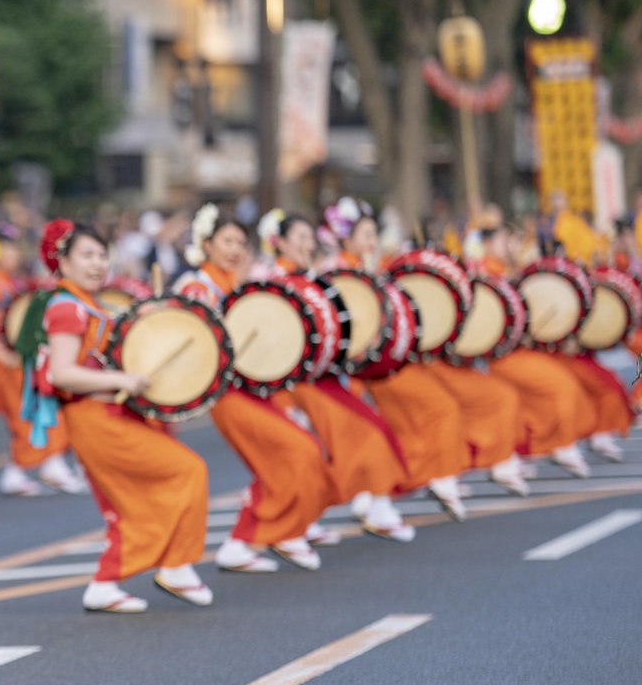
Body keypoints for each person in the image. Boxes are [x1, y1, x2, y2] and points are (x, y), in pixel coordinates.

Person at [24, 219, 211, 612]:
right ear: (64, 263)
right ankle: (169, 566)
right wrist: (123, 377)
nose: (96, 263)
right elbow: (62, 372)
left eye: (101, 255)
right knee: (185, 471)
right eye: (86, 255)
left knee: (142, 497)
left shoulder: (87, 304)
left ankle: (113, 580)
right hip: (94, 417)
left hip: (108, 412)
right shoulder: (66, 307)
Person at [172, 210, 338, 572]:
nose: (235, 249)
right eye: (227, 241)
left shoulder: (238, 282)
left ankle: (259, 537)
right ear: (206, 245)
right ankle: (267, 534)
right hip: (226, 393)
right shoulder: (196, 287)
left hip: (250, 389)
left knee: (293, 456)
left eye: (240, 243)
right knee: (294, 451)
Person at [277, 215, 417, 542]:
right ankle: (365, 505)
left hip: (323, 374)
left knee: (360, 433)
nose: (306, 244)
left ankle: (369, 502)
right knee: (339, 440)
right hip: (297, 381)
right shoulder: (275, 278)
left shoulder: (314, 274)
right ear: (280, 242)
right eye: (299, 236)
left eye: (309, 237)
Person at [334, 209, 473, 519]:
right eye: (365, 236)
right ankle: (412, 482)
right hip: (368, 367)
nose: (372, 242)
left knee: (408, 427)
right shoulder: (340, 272)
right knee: (439, 409)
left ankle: (381, 491)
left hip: (387, 361)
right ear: (347, 239)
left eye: (374, 235)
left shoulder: (371, 267)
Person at [0, 234, 84, 497]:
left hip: (17, 361)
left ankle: (26, 469)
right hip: (4, 365)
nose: (14, 255)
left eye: (15, 250)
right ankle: (39, 466)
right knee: (30, 414)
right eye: (8, 250)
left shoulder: (9, 281)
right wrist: (4, 356)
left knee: (38, 411)